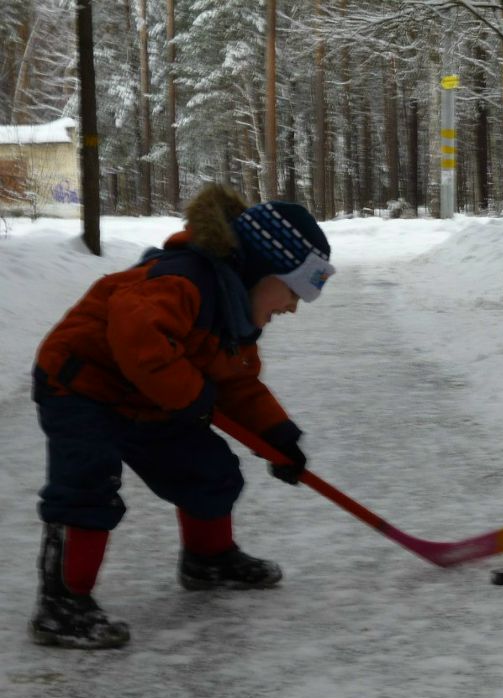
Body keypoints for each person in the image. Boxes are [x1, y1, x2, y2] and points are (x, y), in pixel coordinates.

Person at [28, 184, 335, 650]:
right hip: (82, 386)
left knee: (207, 469)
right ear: (261, 269)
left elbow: (234, 383)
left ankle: (207, 560)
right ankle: (62, 603)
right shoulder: (184, 279)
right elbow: (136, 330)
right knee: (87, 486)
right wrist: (190, 394)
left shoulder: (234, 314)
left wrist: (277, 437)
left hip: (151, 396)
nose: (291, 308)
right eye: (291, 292)